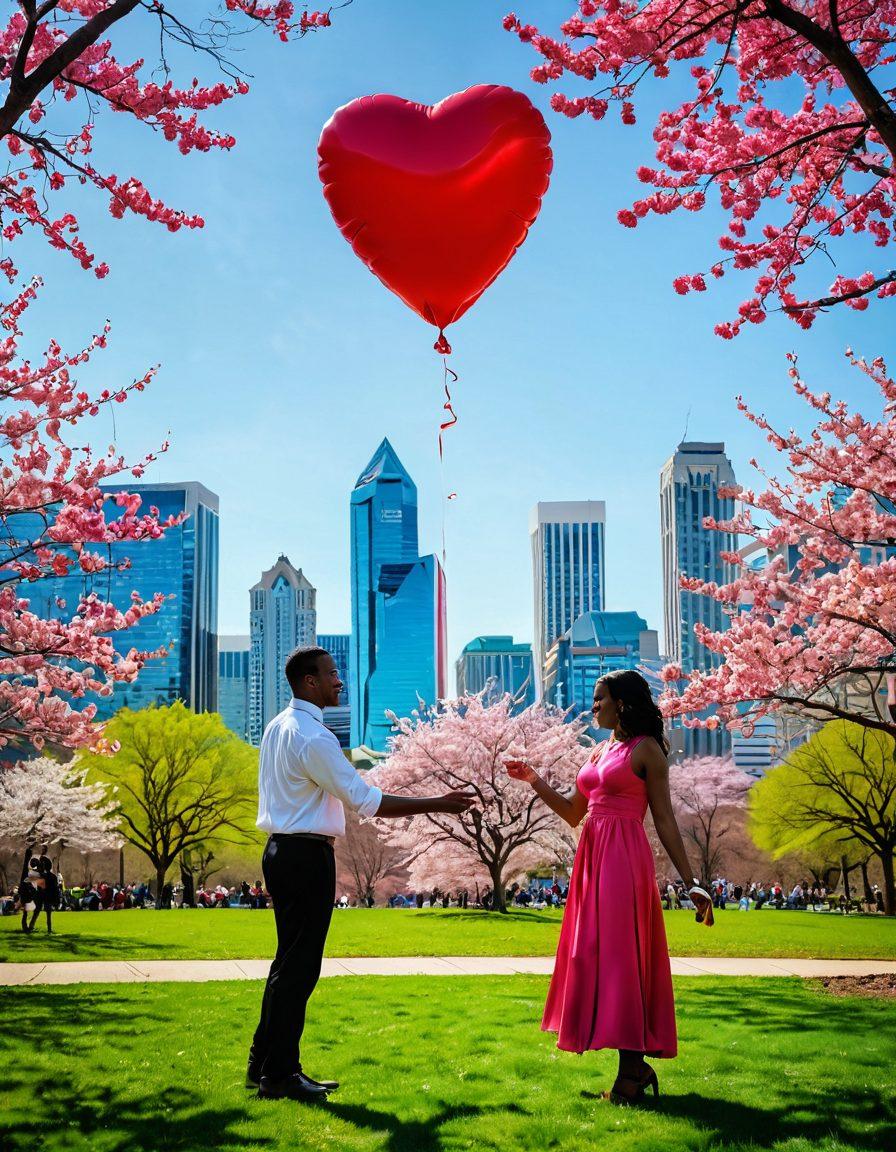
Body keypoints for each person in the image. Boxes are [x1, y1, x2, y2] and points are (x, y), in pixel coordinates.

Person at [248, 645, 474, 1104]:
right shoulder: (313, 736)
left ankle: (263, 1064)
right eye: (332, 674)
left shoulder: (278, 727)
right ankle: (280, 1075)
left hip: (280, 851)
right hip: (306, 857)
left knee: (287, 964)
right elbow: (365, 800)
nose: (339, 681)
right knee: (300, 968)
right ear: (309, 681)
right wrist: (439, 803)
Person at [506, 669, 712, 1105]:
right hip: (592, 858)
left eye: (600, 699)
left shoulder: (647, 750)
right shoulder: (600, 750)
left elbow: (665, 820)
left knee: (622, 960)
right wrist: (533, 779)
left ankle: (631, 1075)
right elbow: (572, 813)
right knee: (592, 956)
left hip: (624, 860)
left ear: (622, 703)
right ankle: (634, 1069)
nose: (593, 706)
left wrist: (692, 882)